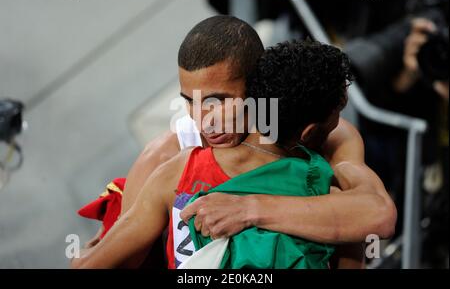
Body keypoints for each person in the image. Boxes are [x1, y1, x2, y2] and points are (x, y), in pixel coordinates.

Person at [78, 16, 396, 268]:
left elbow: (376, 215)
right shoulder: (165, 157)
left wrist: (247, 209)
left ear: (256, 85)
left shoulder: (326, 137)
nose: (205, 120)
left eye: (219, 100)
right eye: (191, 101)